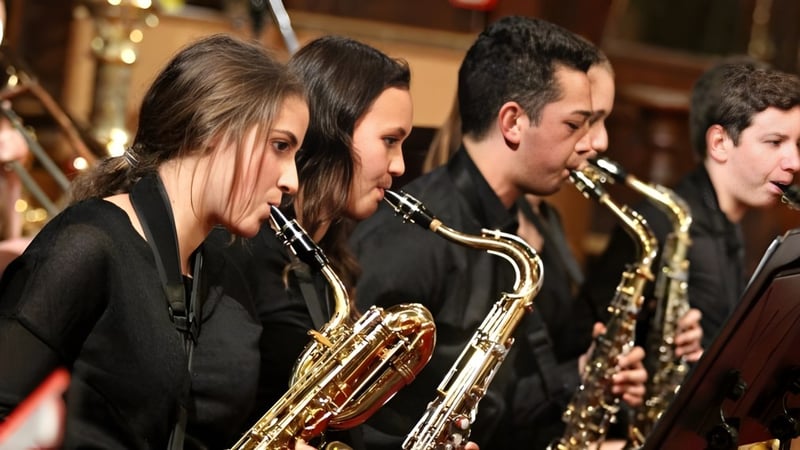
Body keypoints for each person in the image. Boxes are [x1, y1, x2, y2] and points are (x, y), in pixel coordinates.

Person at [0, 34, 310, 449]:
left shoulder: (226, 277)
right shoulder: (88, 244)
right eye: (279, 146)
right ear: (214, 129)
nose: (291, 181)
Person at [348, 16, 642, 450]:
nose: (593, 144)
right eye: (574, 124)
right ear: (513, 123)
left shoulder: (507, 225)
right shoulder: (416, 237)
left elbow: (494, 406)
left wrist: (581, 373)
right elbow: (349, 416)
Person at [205, 35, 417, 450]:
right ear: (333, 130)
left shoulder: (327, 257)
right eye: (390, 141)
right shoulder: (241, 249)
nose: (400, 165)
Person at [581, 59, 800, 351]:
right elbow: (582, 340)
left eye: (797, 145)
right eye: (774, 142)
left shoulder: (729, 223)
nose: (794, 163)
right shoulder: (659, 224)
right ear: (720, 143)